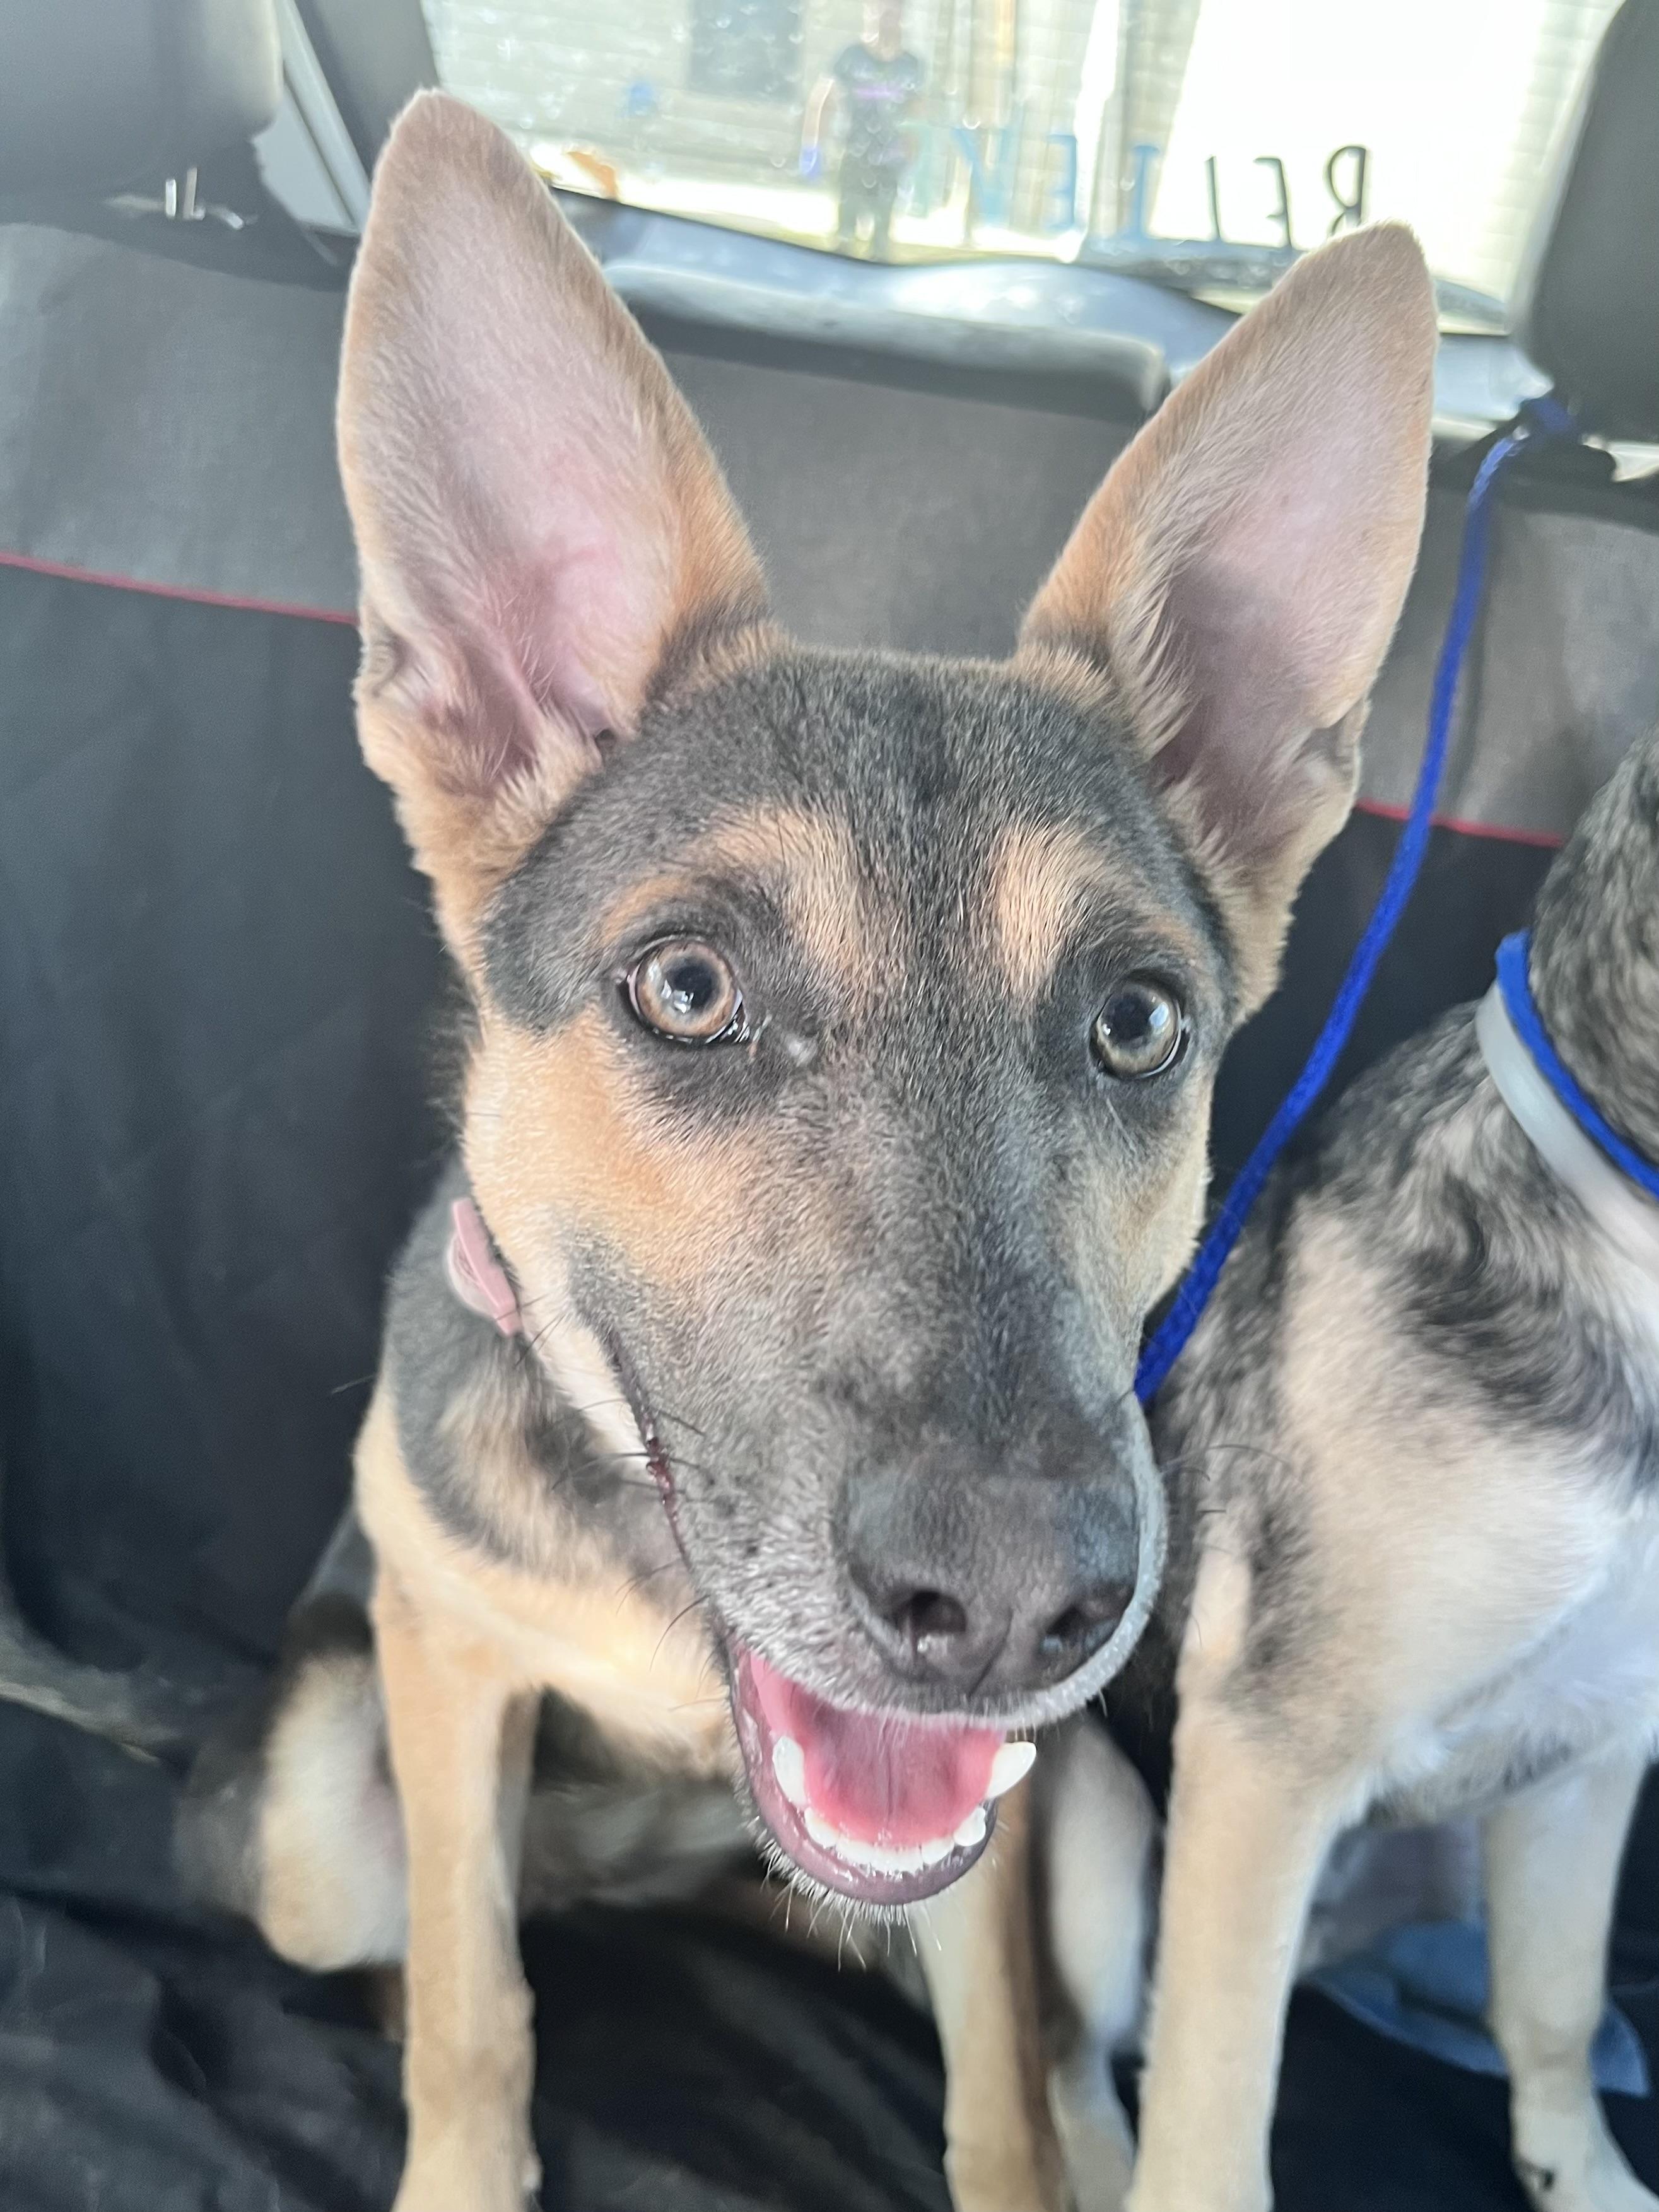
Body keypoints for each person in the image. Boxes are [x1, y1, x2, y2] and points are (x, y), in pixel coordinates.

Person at [800, 3, 924, 259]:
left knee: (881, 240)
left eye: (891, 14)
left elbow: (917, 114)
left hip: (890, 160)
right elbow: (822, 102)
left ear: (901, 18)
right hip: (852, 155)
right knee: (844, 235)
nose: (884, 20)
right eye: (878, 13)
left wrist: (914, 157)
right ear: (868, 14)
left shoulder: (910, 65)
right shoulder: (851, 57)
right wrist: (812, 147)